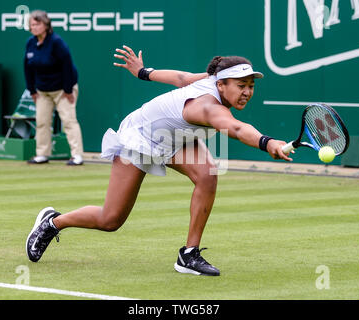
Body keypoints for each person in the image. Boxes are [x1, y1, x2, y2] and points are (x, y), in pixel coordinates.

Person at [25, 45, 293, 276]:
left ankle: (189, 255)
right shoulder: (208, 107)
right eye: (241, 86)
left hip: (174, 139)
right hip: (140, 138)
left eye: (250, 86)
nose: (247, 92)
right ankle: (52, 222)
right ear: (220, 84)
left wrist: (144, 72)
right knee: (110, 220)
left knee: (208, 173)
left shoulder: (211, 79)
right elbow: (233, 128)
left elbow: (180, 77)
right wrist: (266, 142)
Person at [24, 10, 84, 165]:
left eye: (37, 24)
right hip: (43, 91)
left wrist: (68, 90)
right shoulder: (30, 43)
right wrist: (32, 90)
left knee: (69, 122)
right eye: (32, 24)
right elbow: (27, 68)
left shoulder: (56, 42)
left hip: (63, 90)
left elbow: (67, 66)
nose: (34, 27)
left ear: (46, 25)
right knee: (42, 122)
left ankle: (77, 156)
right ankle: (42, 155)